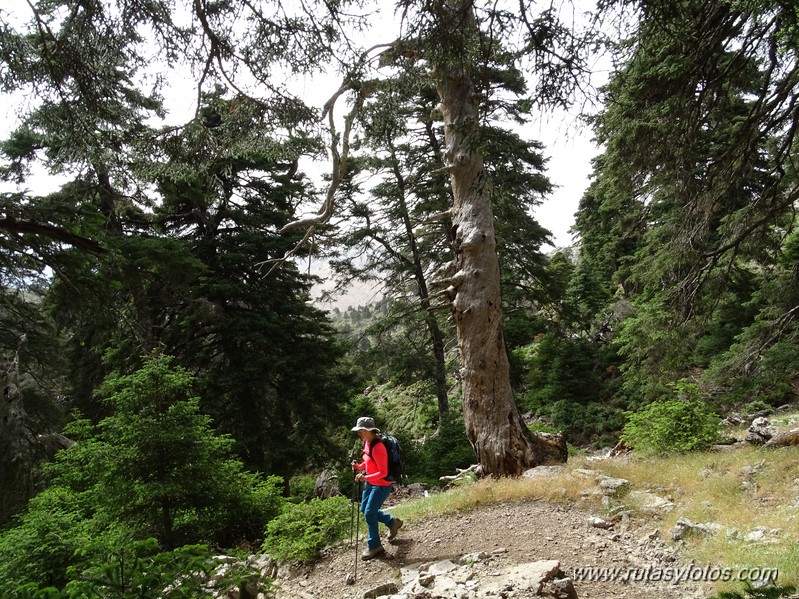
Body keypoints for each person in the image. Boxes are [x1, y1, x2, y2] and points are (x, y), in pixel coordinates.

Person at [351, 416, 403, 560]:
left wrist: (365, 477)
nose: (359, 433)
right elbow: (368, 461)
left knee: (369, 513)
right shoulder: (367, 442)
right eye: (358, 430)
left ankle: (374, 546)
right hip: (371, 483)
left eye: (361, 430)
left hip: (381, 485)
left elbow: (383, 472)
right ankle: (392, 522)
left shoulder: (379, 446)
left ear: (370, 430)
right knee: (365, 510)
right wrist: (359, 467)